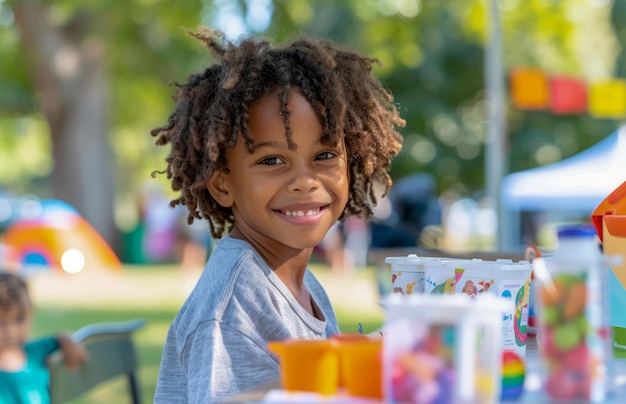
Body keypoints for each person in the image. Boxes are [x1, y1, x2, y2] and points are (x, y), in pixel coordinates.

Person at [151, 27, 405, 403]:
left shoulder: (299, 284)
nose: (304, 181)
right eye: (272, 160)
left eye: (324, 156)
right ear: (223, 185)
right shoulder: (231, 309)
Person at [0, 271, 89, 404]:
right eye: (1, 322)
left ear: (31, 313)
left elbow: (64, 340)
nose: (11, 329)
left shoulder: (36, 351)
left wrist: (66, 340)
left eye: (19, 319)